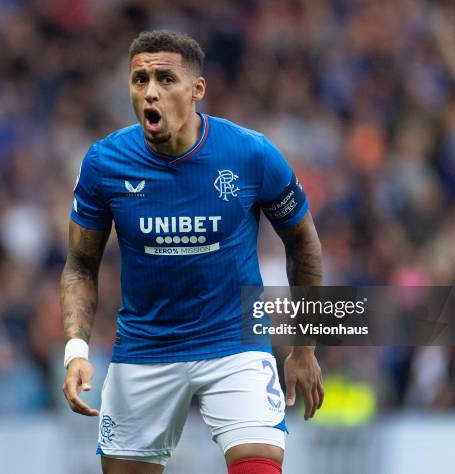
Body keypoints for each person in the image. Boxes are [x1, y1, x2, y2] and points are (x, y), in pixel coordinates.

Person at [60, 30, 324, 474]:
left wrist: (305, 348)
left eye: (165, 79)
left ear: (197, 90)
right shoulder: (105, 163)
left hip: (234, 342)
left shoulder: (250, 154)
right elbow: (80, 265)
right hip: (145, 347)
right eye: (139, 80)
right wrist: (76, 350)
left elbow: (304, 245)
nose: (150, 92)